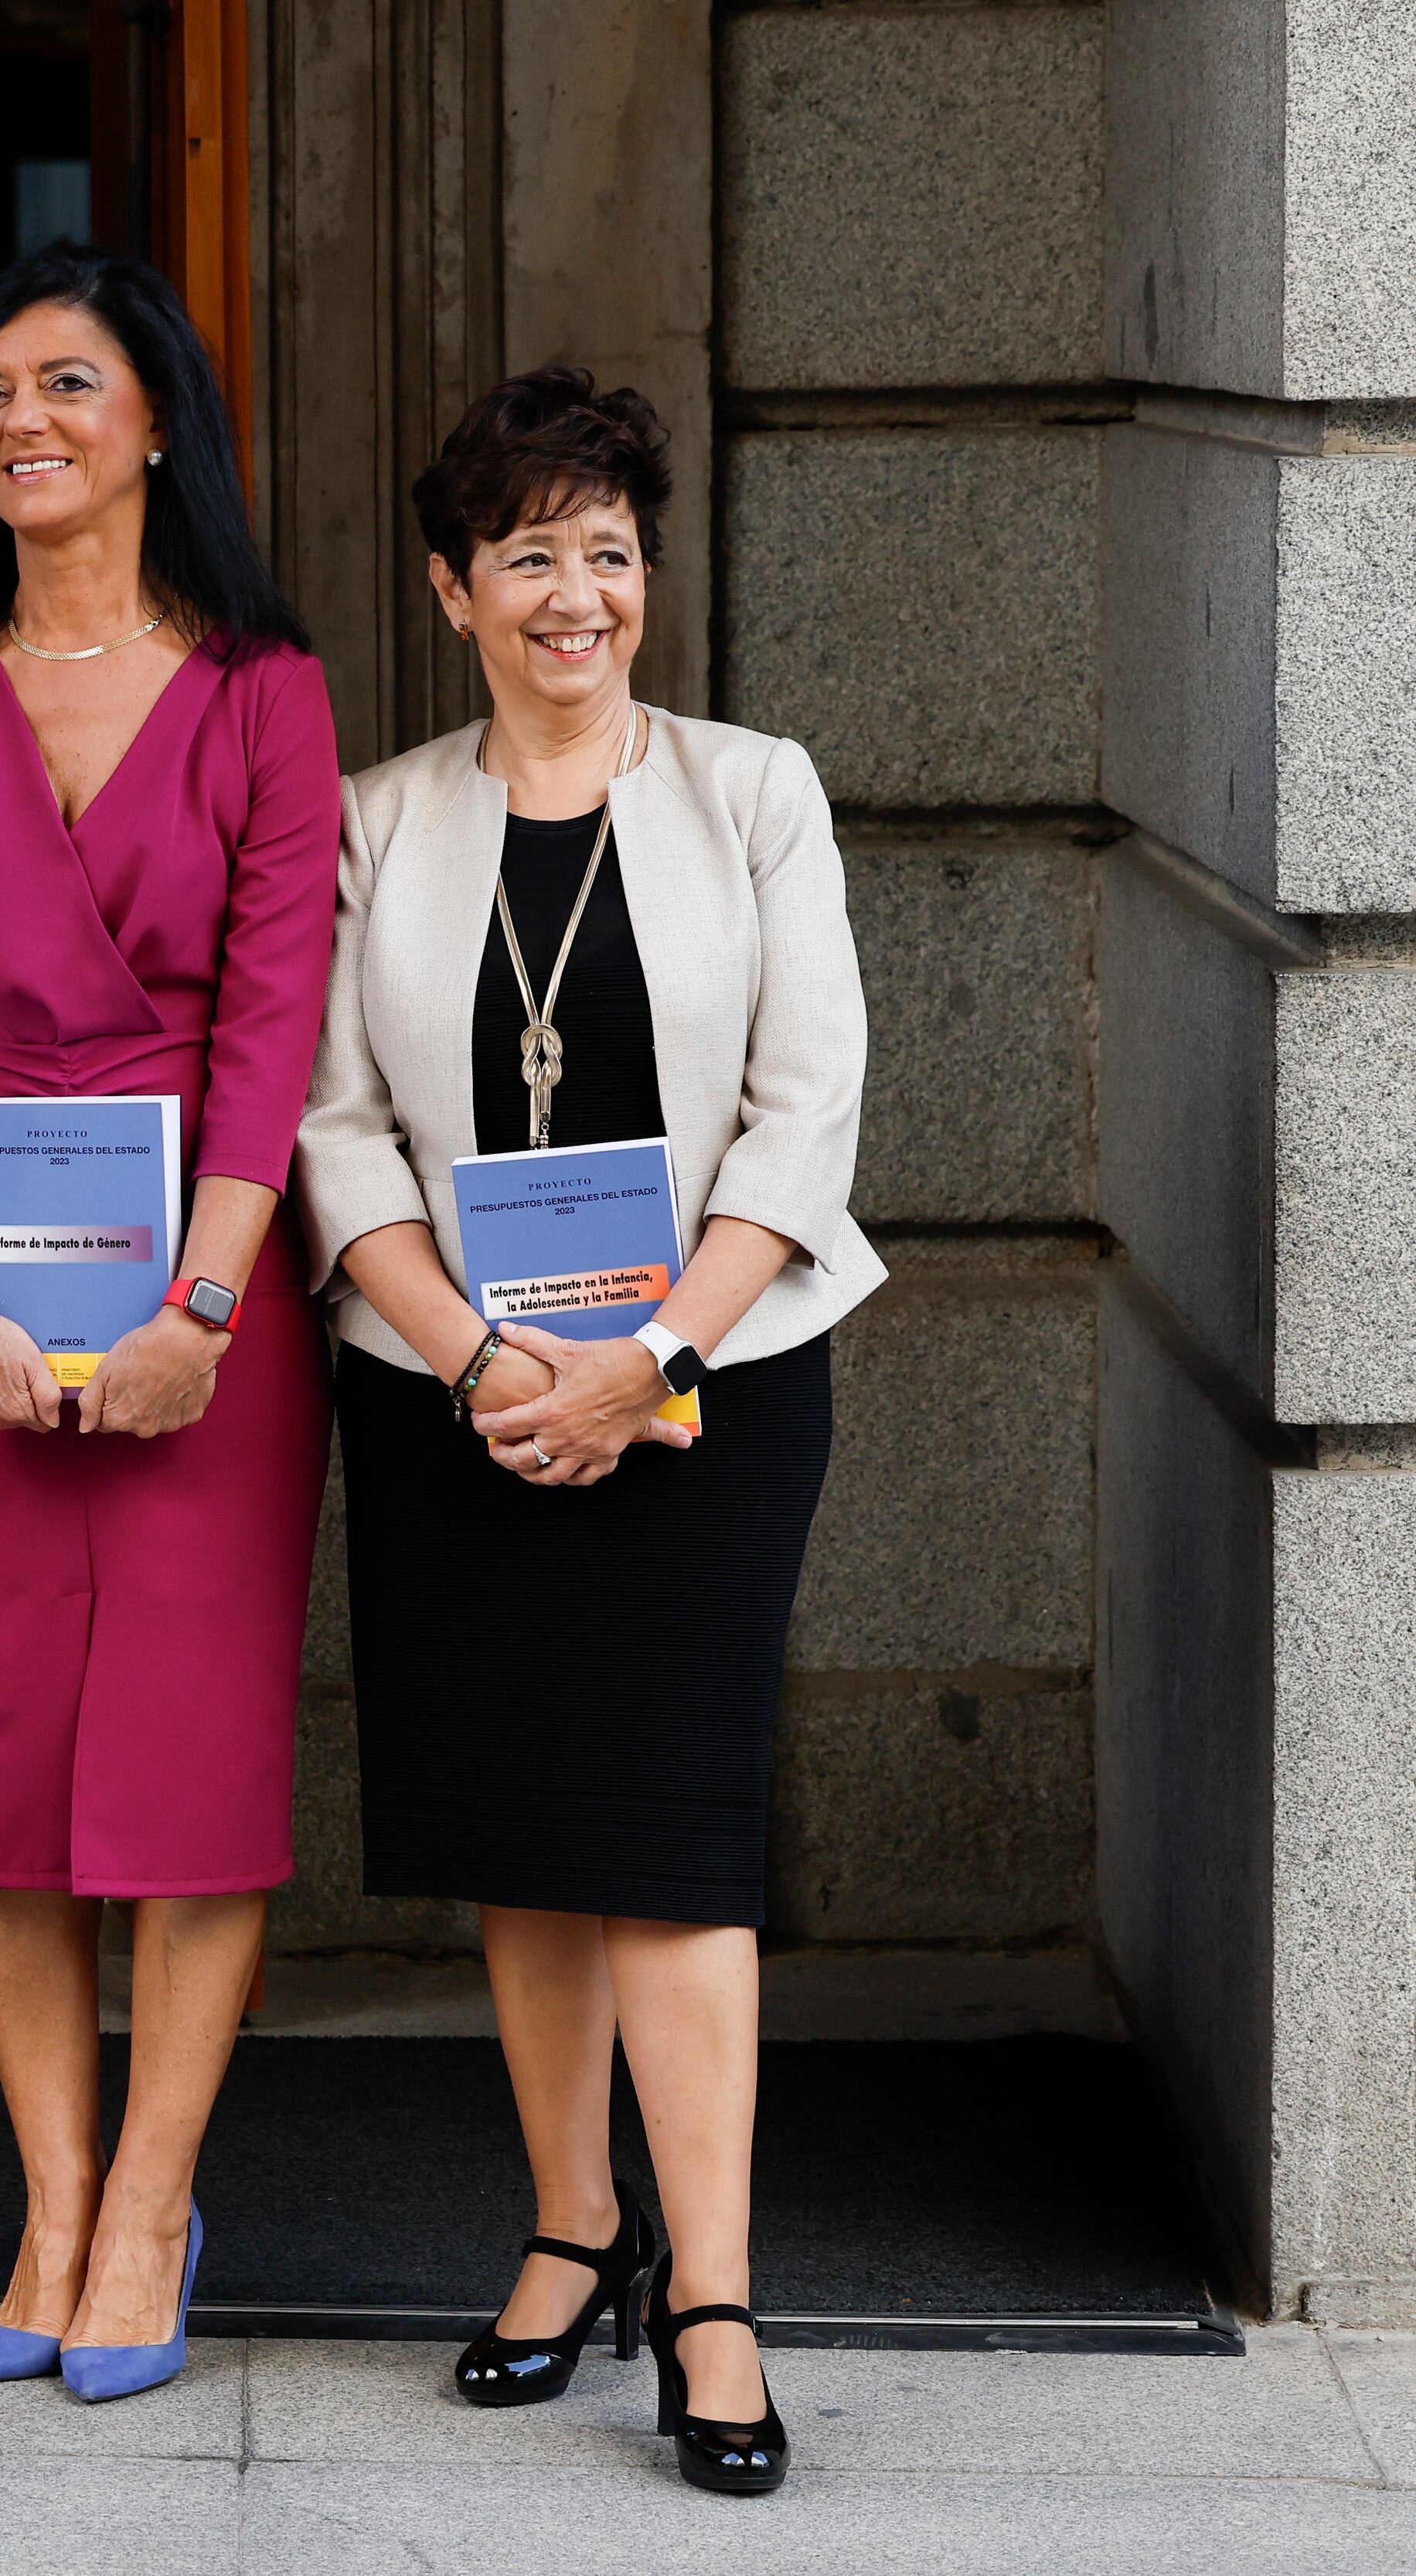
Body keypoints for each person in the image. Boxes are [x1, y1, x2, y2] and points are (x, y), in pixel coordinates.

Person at [295, 366, 879, 2496]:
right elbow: (334, 1128)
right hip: (460, 1389)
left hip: (711, 1386)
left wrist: (650, 1363)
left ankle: (711, 2297)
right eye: (530, 553)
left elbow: (807, 1108)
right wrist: (479, 1362)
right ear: (457, 586)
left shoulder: (754, 793)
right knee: (527, 1837)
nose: (577, 593)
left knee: (674, 1837)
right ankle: (573, 2227)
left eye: (610, 552)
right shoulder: (377, 819)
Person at [0, 243, 341, 2403]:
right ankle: (47, 2202)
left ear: (156, 423)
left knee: (184, 1766)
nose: (20, 422)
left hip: (202, 1316)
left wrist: (205, 1306)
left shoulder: (265, 692)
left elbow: (272, 1025)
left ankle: (154, 2208)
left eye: (66, 383)